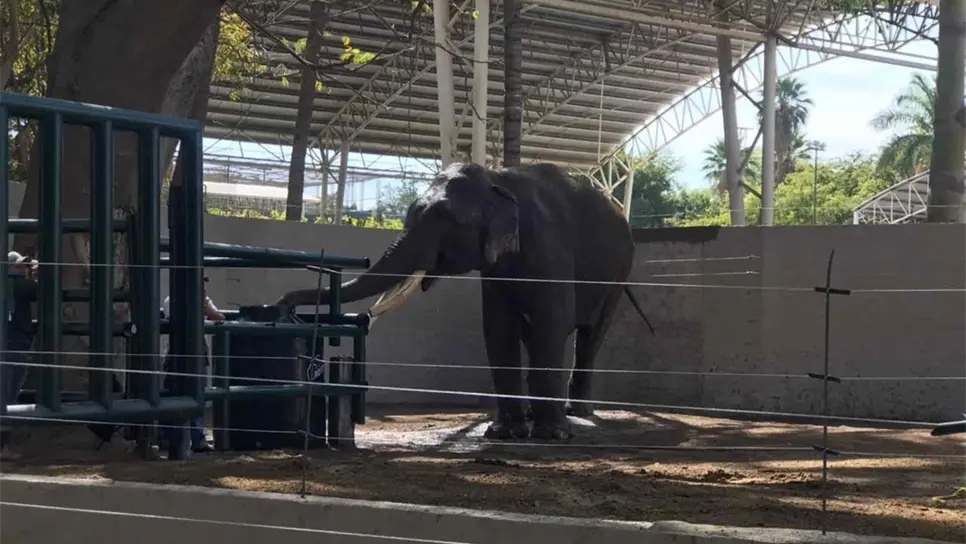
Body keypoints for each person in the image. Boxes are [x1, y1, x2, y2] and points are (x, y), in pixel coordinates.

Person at [160, 275, 224, 453]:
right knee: (172, 394)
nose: (203, 291)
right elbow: (181, 320)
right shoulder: (171, 300)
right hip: (176, 353)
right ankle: (168, 436)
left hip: (197, 352)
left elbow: (219, 317)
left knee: (198, 394)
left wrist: (204, 304)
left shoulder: (204, 301)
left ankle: (197, 438)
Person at [0, 252, 39, 460]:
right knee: (7, 397)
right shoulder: (18, 285)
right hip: (13, 348)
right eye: (21, 266)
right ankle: (1, 448)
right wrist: (38, 273)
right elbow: (46, 290)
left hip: (12, 346)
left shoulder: (10, 285)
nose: (25, 269)